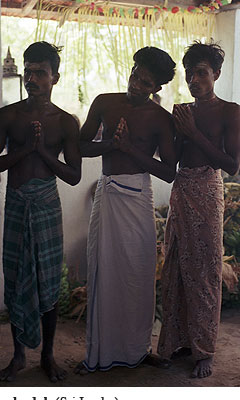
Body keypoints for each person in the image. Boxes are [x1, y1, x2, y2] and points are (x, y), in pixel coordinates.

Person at [0, 41, 81, 382]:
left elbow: (73, 175)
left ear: (55, 77)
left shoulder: (67, 122)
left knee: (48, 280)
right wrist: (25, 149)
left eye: (40, 72)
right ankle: (20, 356)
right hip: (17, 202)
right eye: (28, 71)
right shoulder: (8, 116)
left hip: (47, 204)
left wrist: (43, 153)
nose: (32, 78)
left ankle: (48, 356)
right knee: (16, 277)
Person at [75, 46, 177, 374]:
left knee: (138, 273)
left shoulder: (162, 119)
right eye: (135, 75)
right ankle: (100, 353)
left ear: (156, 89)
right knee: (103, 271)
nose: (136, 84)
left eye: (145, 82)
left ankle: (138, 349)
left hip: (138, 198)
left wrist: (131, 149)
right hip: (108, 195)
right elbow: (79, 145)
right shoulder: (105, 102)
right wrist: (110, 145)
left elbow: (168, 171)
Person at [157, 41, 240, 378]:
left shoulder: (230, 111)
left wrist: (193, 132)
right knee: (176, 266)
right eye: (190, 73)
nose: (194, 79)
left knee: (205, 272)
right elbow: (174, 158)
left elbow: (232, 165)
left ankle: (204, 350)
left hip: (208, 189)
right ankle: (177, 343)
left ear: (216, 74)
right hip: (182, 187)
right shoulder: (183, 111)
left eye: (202, 73)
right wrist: (177, 129)